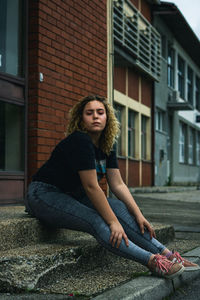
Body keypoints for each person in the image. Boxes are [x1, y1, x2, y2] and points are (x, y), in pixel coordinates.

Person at [25, 95, 199, 279]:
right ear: (81, 119)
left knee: (121, 209)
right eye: (89, 113)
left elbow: (118, 184)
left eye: (100, 112)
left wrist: (138, 214)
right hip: (44, 194)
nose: (95, 117)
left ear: (107, 117)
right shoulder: (79, 141)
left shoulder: (106, 145)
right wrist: (113, 222)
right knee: (98, 220)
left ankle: (167, 255)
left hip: (75, 195)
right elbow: (92, 186)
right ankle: (153, 262)